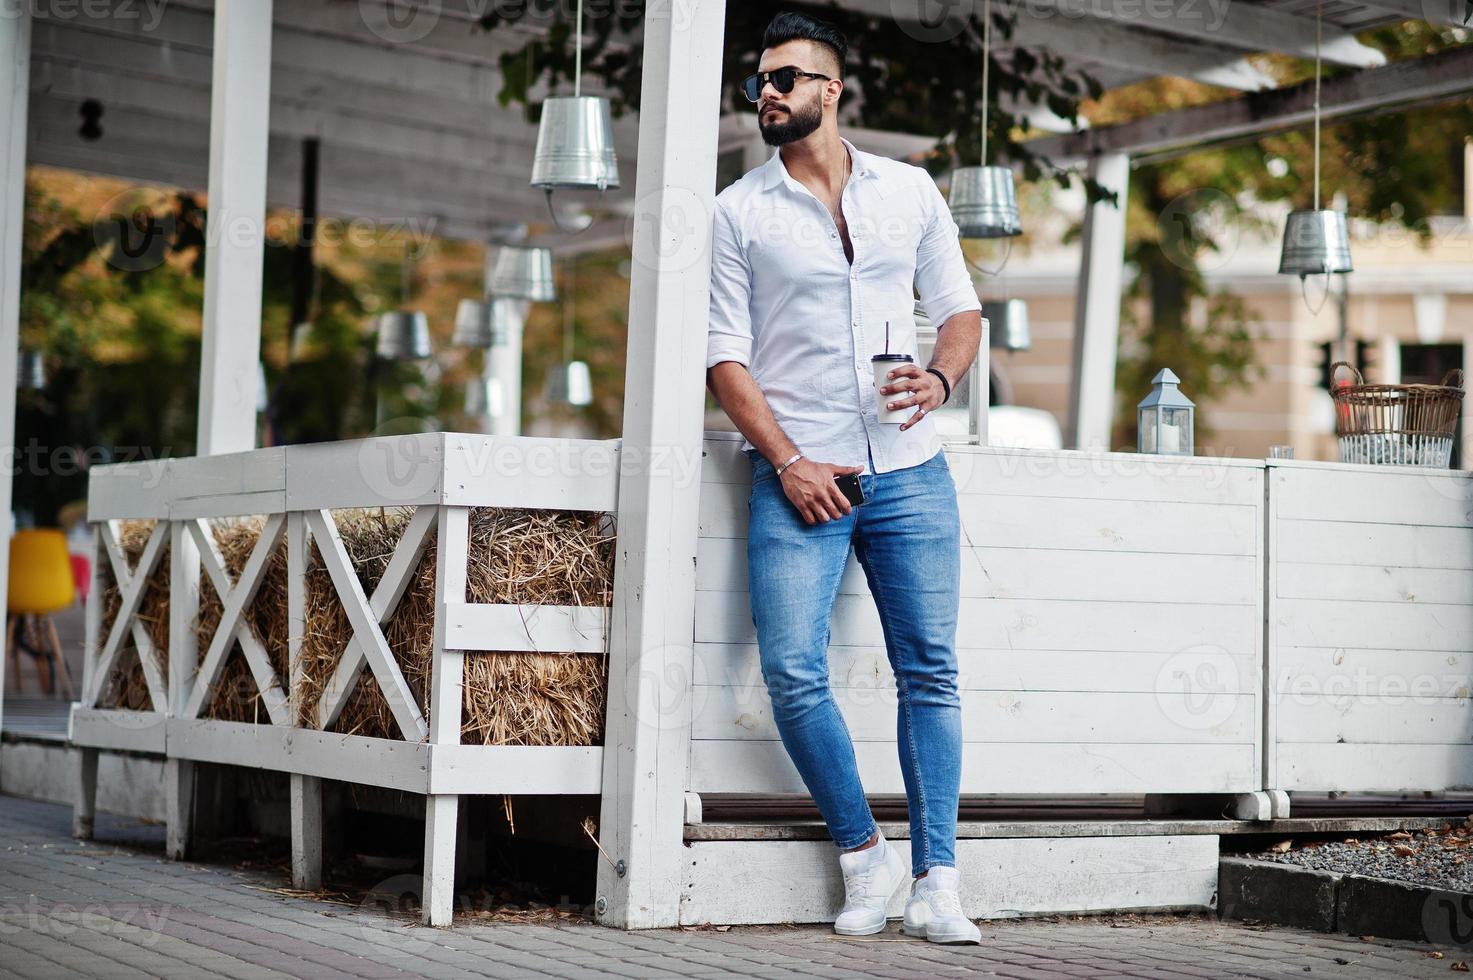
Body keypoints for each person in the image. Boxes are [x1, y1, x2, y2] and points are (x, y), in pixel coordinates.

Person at [705, 10, 984, 946]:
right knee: (789, 671)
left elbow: (960, 313)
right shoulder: (736, 212)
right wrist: (786, 462)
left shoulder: (909, 192)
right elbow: (724, 360)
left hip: (909, 471)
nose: (768, 94)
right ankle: (866, 859)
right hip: (800, 475)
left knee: (930, 674)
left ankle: (938, 880)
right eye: (759, 82)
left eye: (785, 78)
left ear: (831, 89)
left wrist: (939, 378)